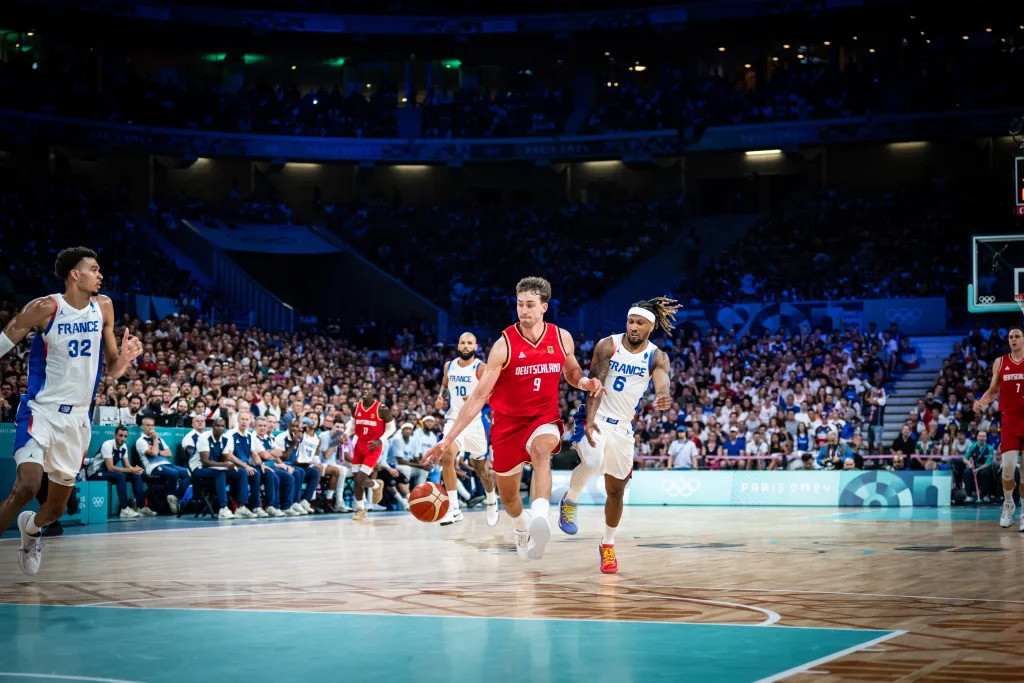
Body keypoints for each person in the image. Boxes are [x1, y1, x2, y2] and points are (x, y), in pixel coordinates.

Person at [423, 276, 603, 560]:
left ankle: (541, 517)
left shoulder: (561, 337)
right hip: (506, 424)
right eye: (520, 305)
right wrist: (448, 439)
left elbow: (571, 372)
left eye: (530, 305)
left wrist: (585, 384)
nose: (524, 311)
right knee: (509, 499)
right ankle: (522, 525)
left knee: (542, 451)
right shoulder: (503, 345)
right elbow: (478, 398)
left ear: (544, 306)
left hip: (543, 417)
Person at [0, 246, 142, 575]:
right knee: (27, 486)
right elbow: (3, 344)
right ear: (75, 275)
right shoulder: (44, 308)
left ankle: (31, 531)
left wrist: (126, 359)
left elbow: (113, 369)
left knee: (55, 509)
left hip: (78, 419)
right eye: (94, 269)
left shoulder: (103, 307)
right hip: (40, 411)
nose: (101, 274)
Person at [559, 298, 675, 574]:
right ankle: (570, 499)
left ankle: (607, 545)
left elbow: (662, 378)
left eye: (640, 323)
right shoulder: (608, 345)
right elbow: (595, 385)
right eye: (630, 321)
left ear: (651, 326)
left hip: (624, 427)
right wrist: (588, 422)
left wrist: (662, 394)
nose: (633, 327)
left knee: (616, 490)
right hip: (597, 416)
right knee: (594, 460)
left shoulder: (657, 356)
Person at [435, 332, 499, 527]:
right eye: (462, 342)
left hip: (475, 422)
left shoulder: (481, 368)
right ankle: (454, 508)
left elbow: (495, 394)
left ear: (475, 346)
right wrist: (441, 397)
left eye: (469, 343)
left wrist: (476, 397)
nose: (465, 346)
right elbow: (445, 385)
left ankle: (491, 499)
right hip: (453, 420)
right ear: (458, 345)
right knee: (447, 455)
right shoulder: (449, 366)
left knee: (481, 469)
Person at [973, 324, 1024, 528]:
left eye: (1017, 336)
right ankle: (1009, 503)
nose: (1013, 339)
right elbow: (993, 390)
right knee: (1008, 468)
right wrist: (981, 402)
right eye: (1011, 336)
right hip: (1010, 419)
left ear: (1023, 339)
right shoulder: (1000, 362)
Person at [86, 424, 153, 518]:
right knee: (120, 475)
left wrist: (134, 469)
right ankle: (124, 509)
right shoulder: (107, 445)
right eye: (120, 436)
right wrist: (130, 469)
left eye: (125, 436)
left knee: (136, 475)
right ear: (115, 435)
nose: (123, 438)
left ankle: (141, 507)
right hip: (95, 473)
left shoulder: (124, 447)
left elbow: (127, 466)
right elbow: (110, 468)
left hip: (109, 473)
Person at [346, 390, 393, 521]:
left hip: (373, 447)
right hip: (359, 446)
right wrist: (345, 434)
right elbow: (352, 426)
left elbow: (392, 428)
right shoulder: (356, 406)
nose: (365, 391)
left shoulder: (382, 408)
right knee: (357, 480)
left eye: (368, 389)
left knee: (360, 479)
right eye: (363, 389)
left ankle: (376, 486)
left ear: (373, 393)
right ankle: (361, 509)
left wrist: (380, 440)